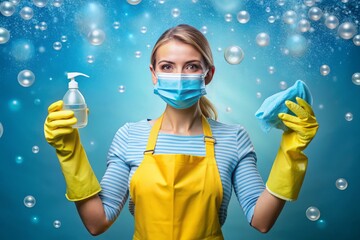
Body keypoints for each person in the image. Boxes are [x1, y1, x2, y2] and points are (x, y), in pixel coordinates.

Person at [44, 24, 319, 239]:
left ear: (208, 74)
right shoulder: (130, 136)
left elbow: (261, 221)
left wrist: (291, 151)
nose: (178, 75)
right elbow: (96, 222)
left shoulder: (233, 138)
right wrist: (69, 152)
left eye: (191, 66)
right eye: (167, 67)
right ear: (153, 73)